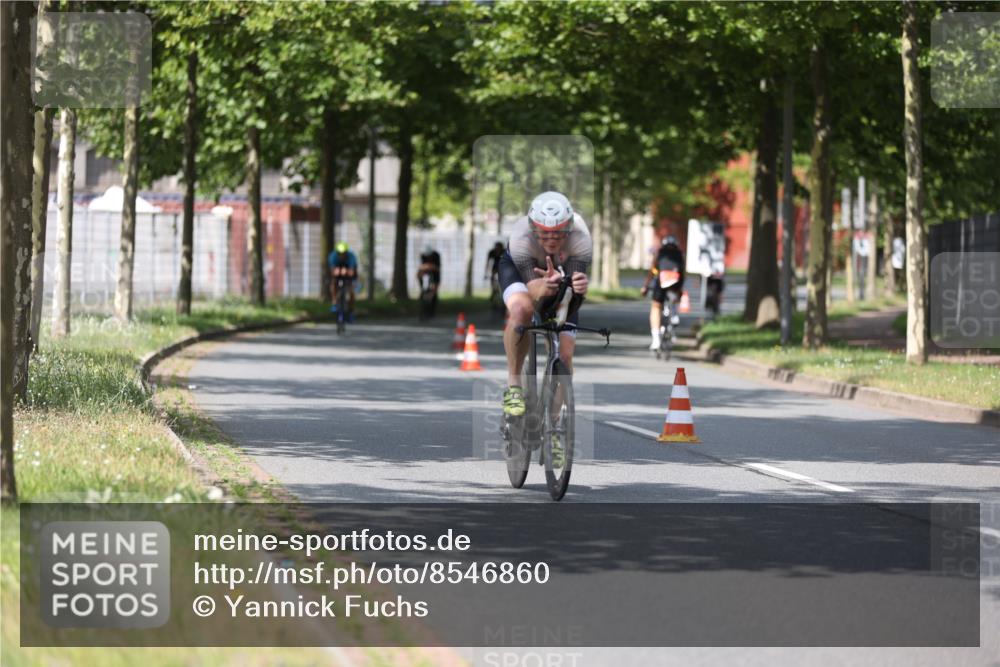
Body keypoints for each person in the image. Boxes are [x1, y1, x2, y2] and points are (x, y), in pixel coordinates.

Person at [499, 191, 591, 421]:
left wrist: (578, 287)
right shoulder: (521, 237)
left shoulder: (581, 238)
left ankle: (555, 426)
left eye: (559, 232)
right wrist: (545, 285)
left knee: (565, 354)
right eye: (544, 232)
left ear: (569, 227)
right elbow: (532, 292)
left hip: (559, 275)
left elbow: (573, 293)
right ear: (533, 228)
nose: (551, 238)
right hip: (519, 272)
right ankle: (514, 385)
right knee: (522, 310)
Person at [641, 235, 685, 350]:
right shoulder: (680, 254)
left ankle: (656, 340)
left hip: (662, 281)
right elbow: (683, 272)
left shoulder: (660, 253)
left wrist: (645, 286)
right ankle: (674, 313)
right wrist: (680, 289)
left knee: (656, 307)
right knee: (675, 296)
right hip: (676, 281)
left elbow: (652, 270)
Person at [328, 240, 359, 319]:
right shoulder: (333, 256)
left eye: (344, 253)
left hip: (349, 271)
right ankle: (334, 302)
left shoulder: (351, 256)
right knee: (333, 283)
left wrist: (348, 272)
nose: (342, 255)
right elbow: (332, 270)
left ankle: (351, 309)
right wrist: (336, 272)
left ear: (346, 252)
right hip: (337, 272)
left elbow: (352, 271)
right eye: (340, 253)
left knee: (351, 290)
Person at [416, 244, 441, 313]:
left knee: (434, 289)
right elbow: (421, 267)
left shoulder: (436, 255)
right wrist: (427, 267)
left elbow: (437, 268)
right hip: (425, 272)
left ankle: (432, 308)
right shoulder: (422, 255)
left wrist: (429, 266)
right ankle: (422, 290)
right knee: (419, 274)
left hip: (435, 273)